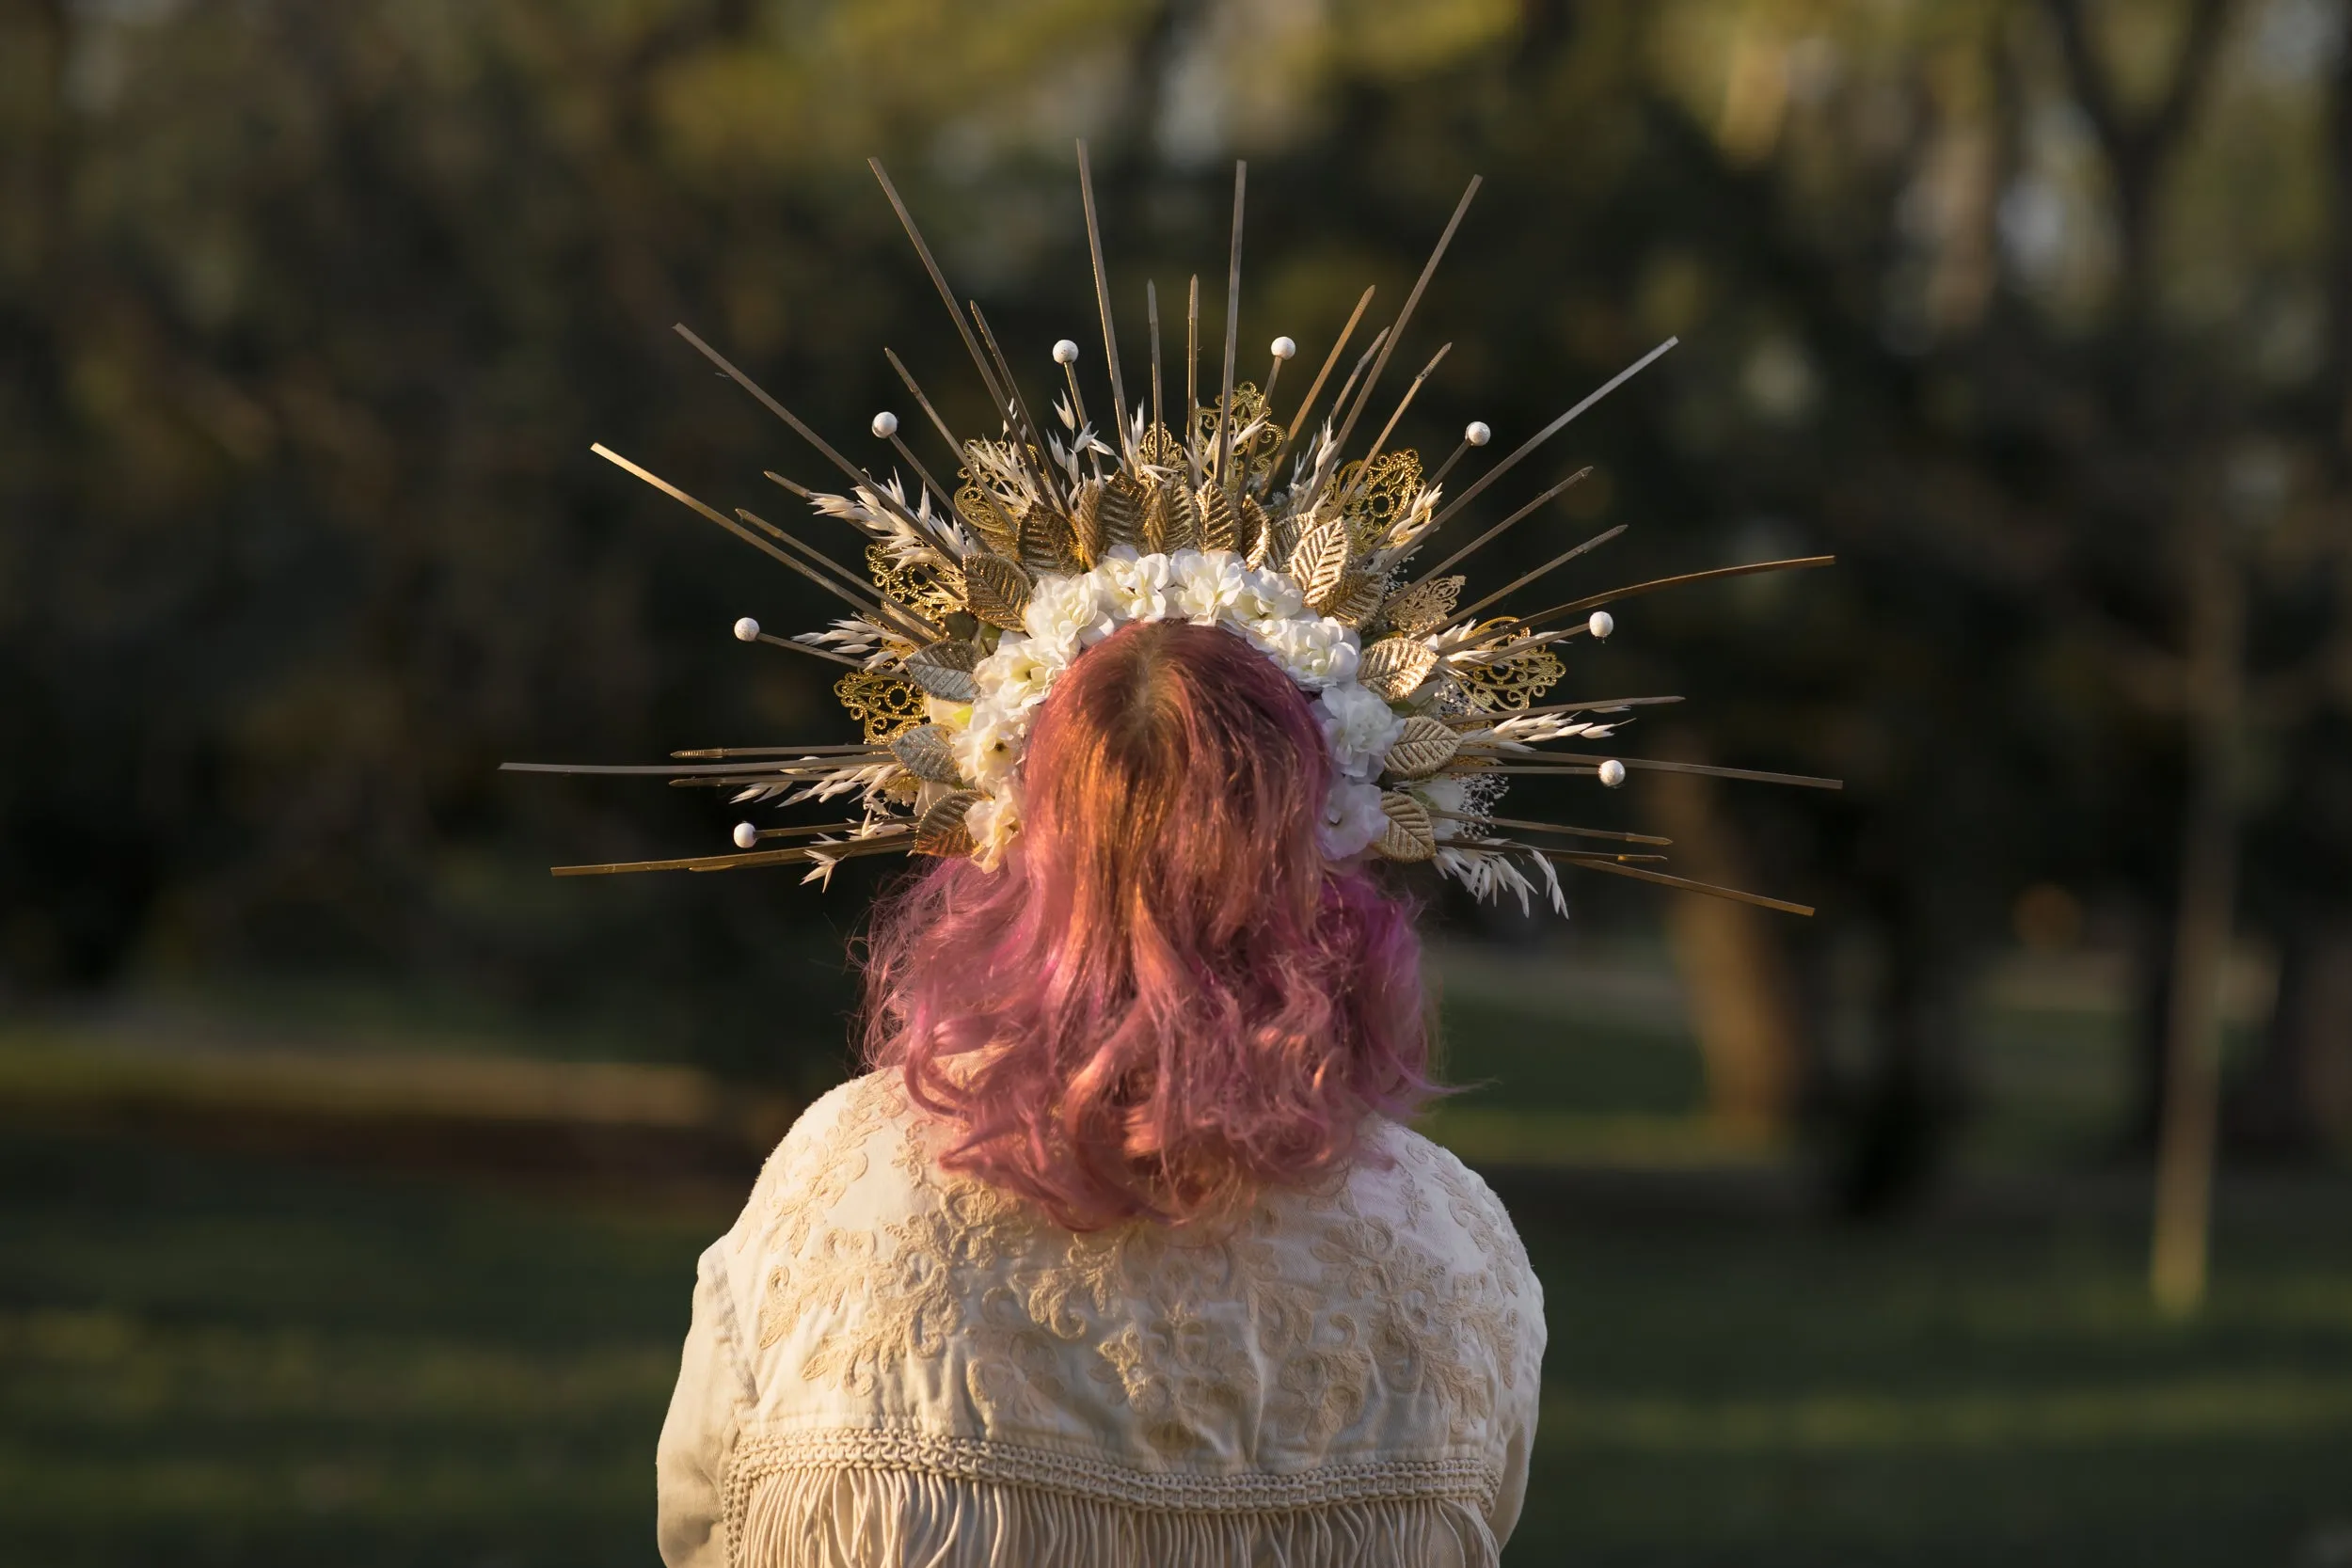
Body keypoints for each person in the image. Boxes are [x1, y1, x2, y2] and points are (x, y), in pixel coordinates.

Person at [653, 616, 1545, 1567]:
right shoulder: (1450, 1234)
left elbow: (704, 1524)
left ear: (1019, 830)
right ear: (1314, 846)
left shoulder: (836, 1179)